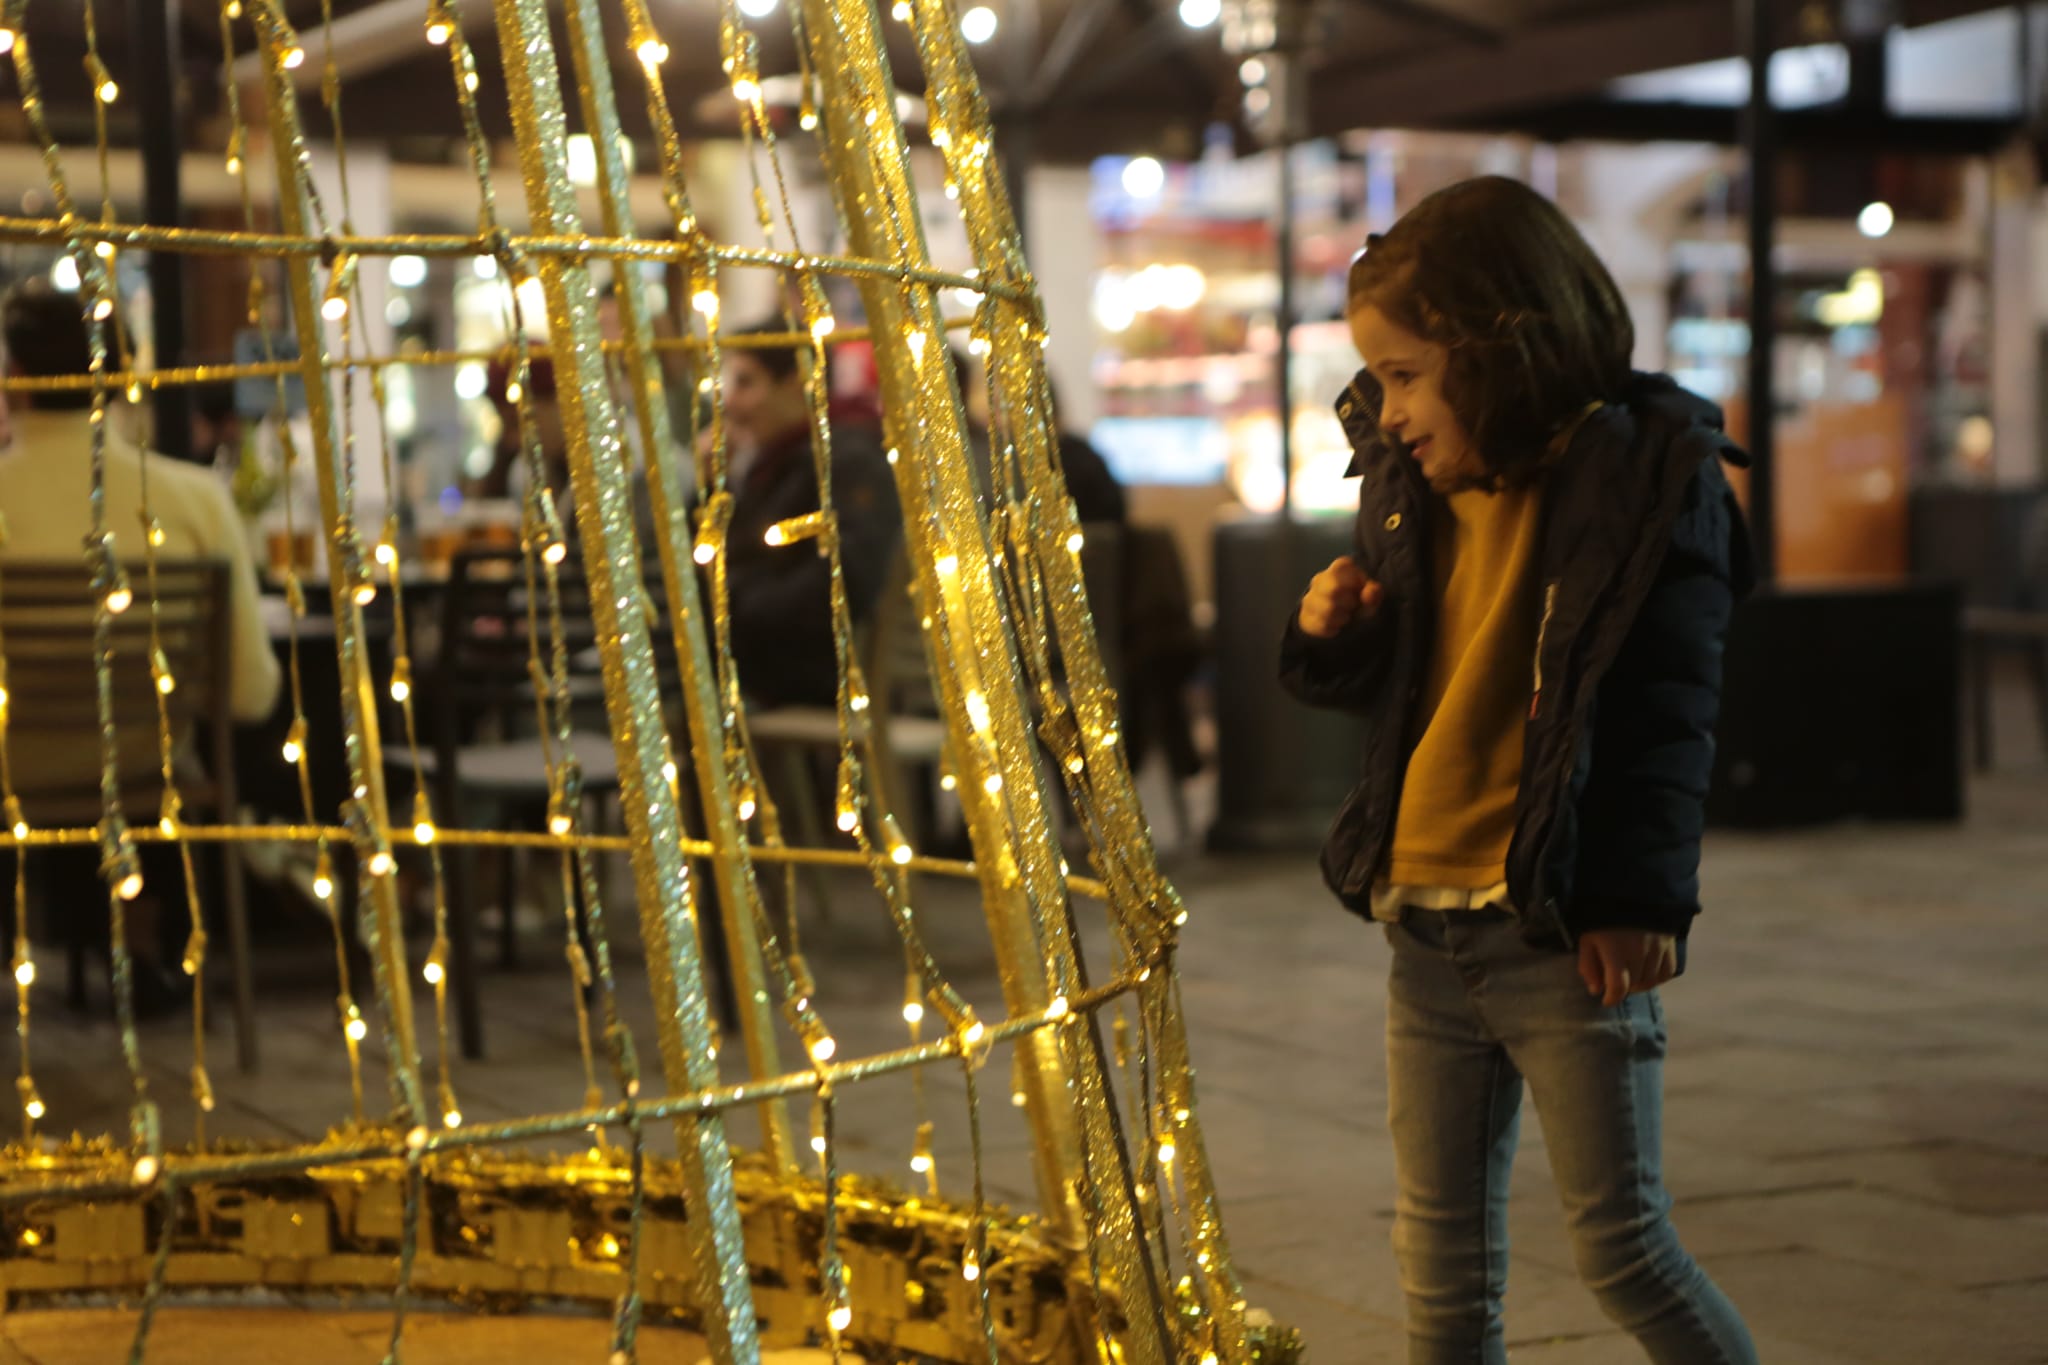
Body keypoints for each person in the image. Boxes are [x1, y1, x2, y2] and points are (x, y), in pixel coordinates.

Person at [1278, 177, 1758, 1365]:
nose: (1383, 412)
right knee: (1437, 1278)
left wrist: (1639, 902)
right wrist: (1327, 635)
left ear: (1500, 342)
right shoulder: (1409, 485)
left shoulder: (1646, 478)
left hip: (1558, 928)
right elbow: (1395, 685)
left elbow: (1664, 714)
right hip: (1422, 924)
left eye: (1401, 374)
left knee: (1622, 1250)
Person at [0, 283, 282, 1011]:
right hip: (145, 765)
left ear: (17, 378)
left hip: (13, 776)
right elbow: (251, 692)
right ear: (123, 378)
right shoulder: (192, 498)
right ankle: (171, 948)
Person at [718, 322, 901, 709]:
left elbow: (845, 578)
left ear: (796, 382)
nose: (729, 403)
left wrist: (734, 604)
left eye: (745, 383)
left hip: (811, 677)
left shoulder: (846, 460)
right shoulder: (773, 461)